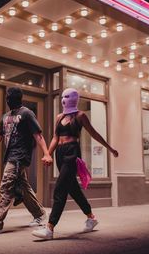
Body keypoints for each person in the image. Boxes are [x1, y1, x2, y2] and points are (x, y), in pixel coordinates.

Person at [32, 88, 118, 239]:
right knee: (73, 189)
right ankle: (91, 218)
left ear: (74, 98)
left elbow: (94, 133)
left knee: (60, 188)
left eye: (67, 96)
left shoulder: (80, 116)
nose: (64, 99)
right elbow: (55, 137)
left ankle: (49, 228)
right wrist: (47, 154)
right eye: (63, 96)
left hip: (72, 152)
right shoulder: (59, 117)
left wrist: (110, 148)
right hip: (60, 152)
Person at [0, 87, 53, 234]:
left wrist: (47, 153)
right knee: (23, 188)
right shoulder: (5, 117)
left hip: (20, 157)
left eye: (10, 98)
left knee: (7, 187)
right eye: (7, 98)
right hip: (10, 156)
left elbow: (38, 134)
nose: (8, 100)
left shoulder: (27, 113)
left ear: (17, 99)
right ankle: (40, 214)